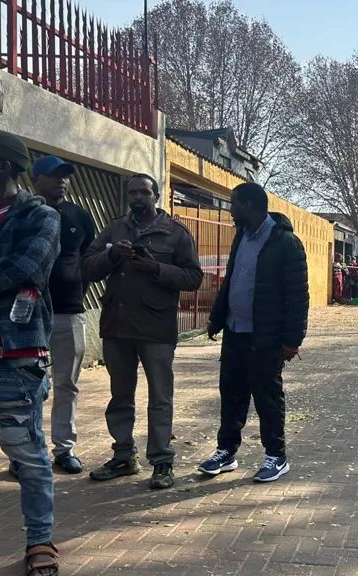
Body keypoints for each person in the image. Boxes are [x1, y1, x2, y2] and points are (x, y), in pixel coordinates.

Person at [82, 173, 203, 490]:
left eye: (143, 192)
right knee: (120, 396)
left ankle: (162, 462)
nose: (137, 198)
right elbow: (87, 266)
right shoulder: (114, 229)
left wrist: (156, 268)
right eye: (132, 192)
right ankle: (124, 456)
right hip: (116, 325)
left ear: (156, 196)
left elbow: (193, 278)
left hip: (156, 328)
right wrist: (111, 255)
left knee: (160, 398)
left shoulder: (175, 233)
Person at [0, 130, 61, 576]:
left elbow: (25, 269)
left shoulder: (39, 217)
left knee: (27, 454)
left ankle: (40, 542)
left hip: (15, 355)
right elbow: (2, 274)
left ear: (5, 167)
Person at [199, 183, 309, 483]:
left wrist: (292, 340)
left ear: (249, 205)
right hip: (235, 332)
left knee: (267, 397)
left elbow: (298, 295)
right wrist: (217, 318)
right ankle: (226, 451)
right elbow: (233, 279)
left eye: (233, 204)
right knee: (231, 394)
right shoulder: (241, 237)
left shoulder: (286, 243)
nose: (230, 210)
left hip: (266, 337)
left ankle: (276, 455)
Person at [32, 155, 95, 475]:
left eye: (65, 176)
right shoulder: (24, 214)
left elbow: (90, 260)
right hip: (28, 315)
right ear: (35, 179)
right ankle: (26, 452)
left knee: (66, 384)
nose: (62, 181)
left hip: (69, 313)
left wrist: (77, 292)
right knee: (29, 386)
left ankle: (64, 449)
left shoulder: (79, 216)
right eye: (54, 175)